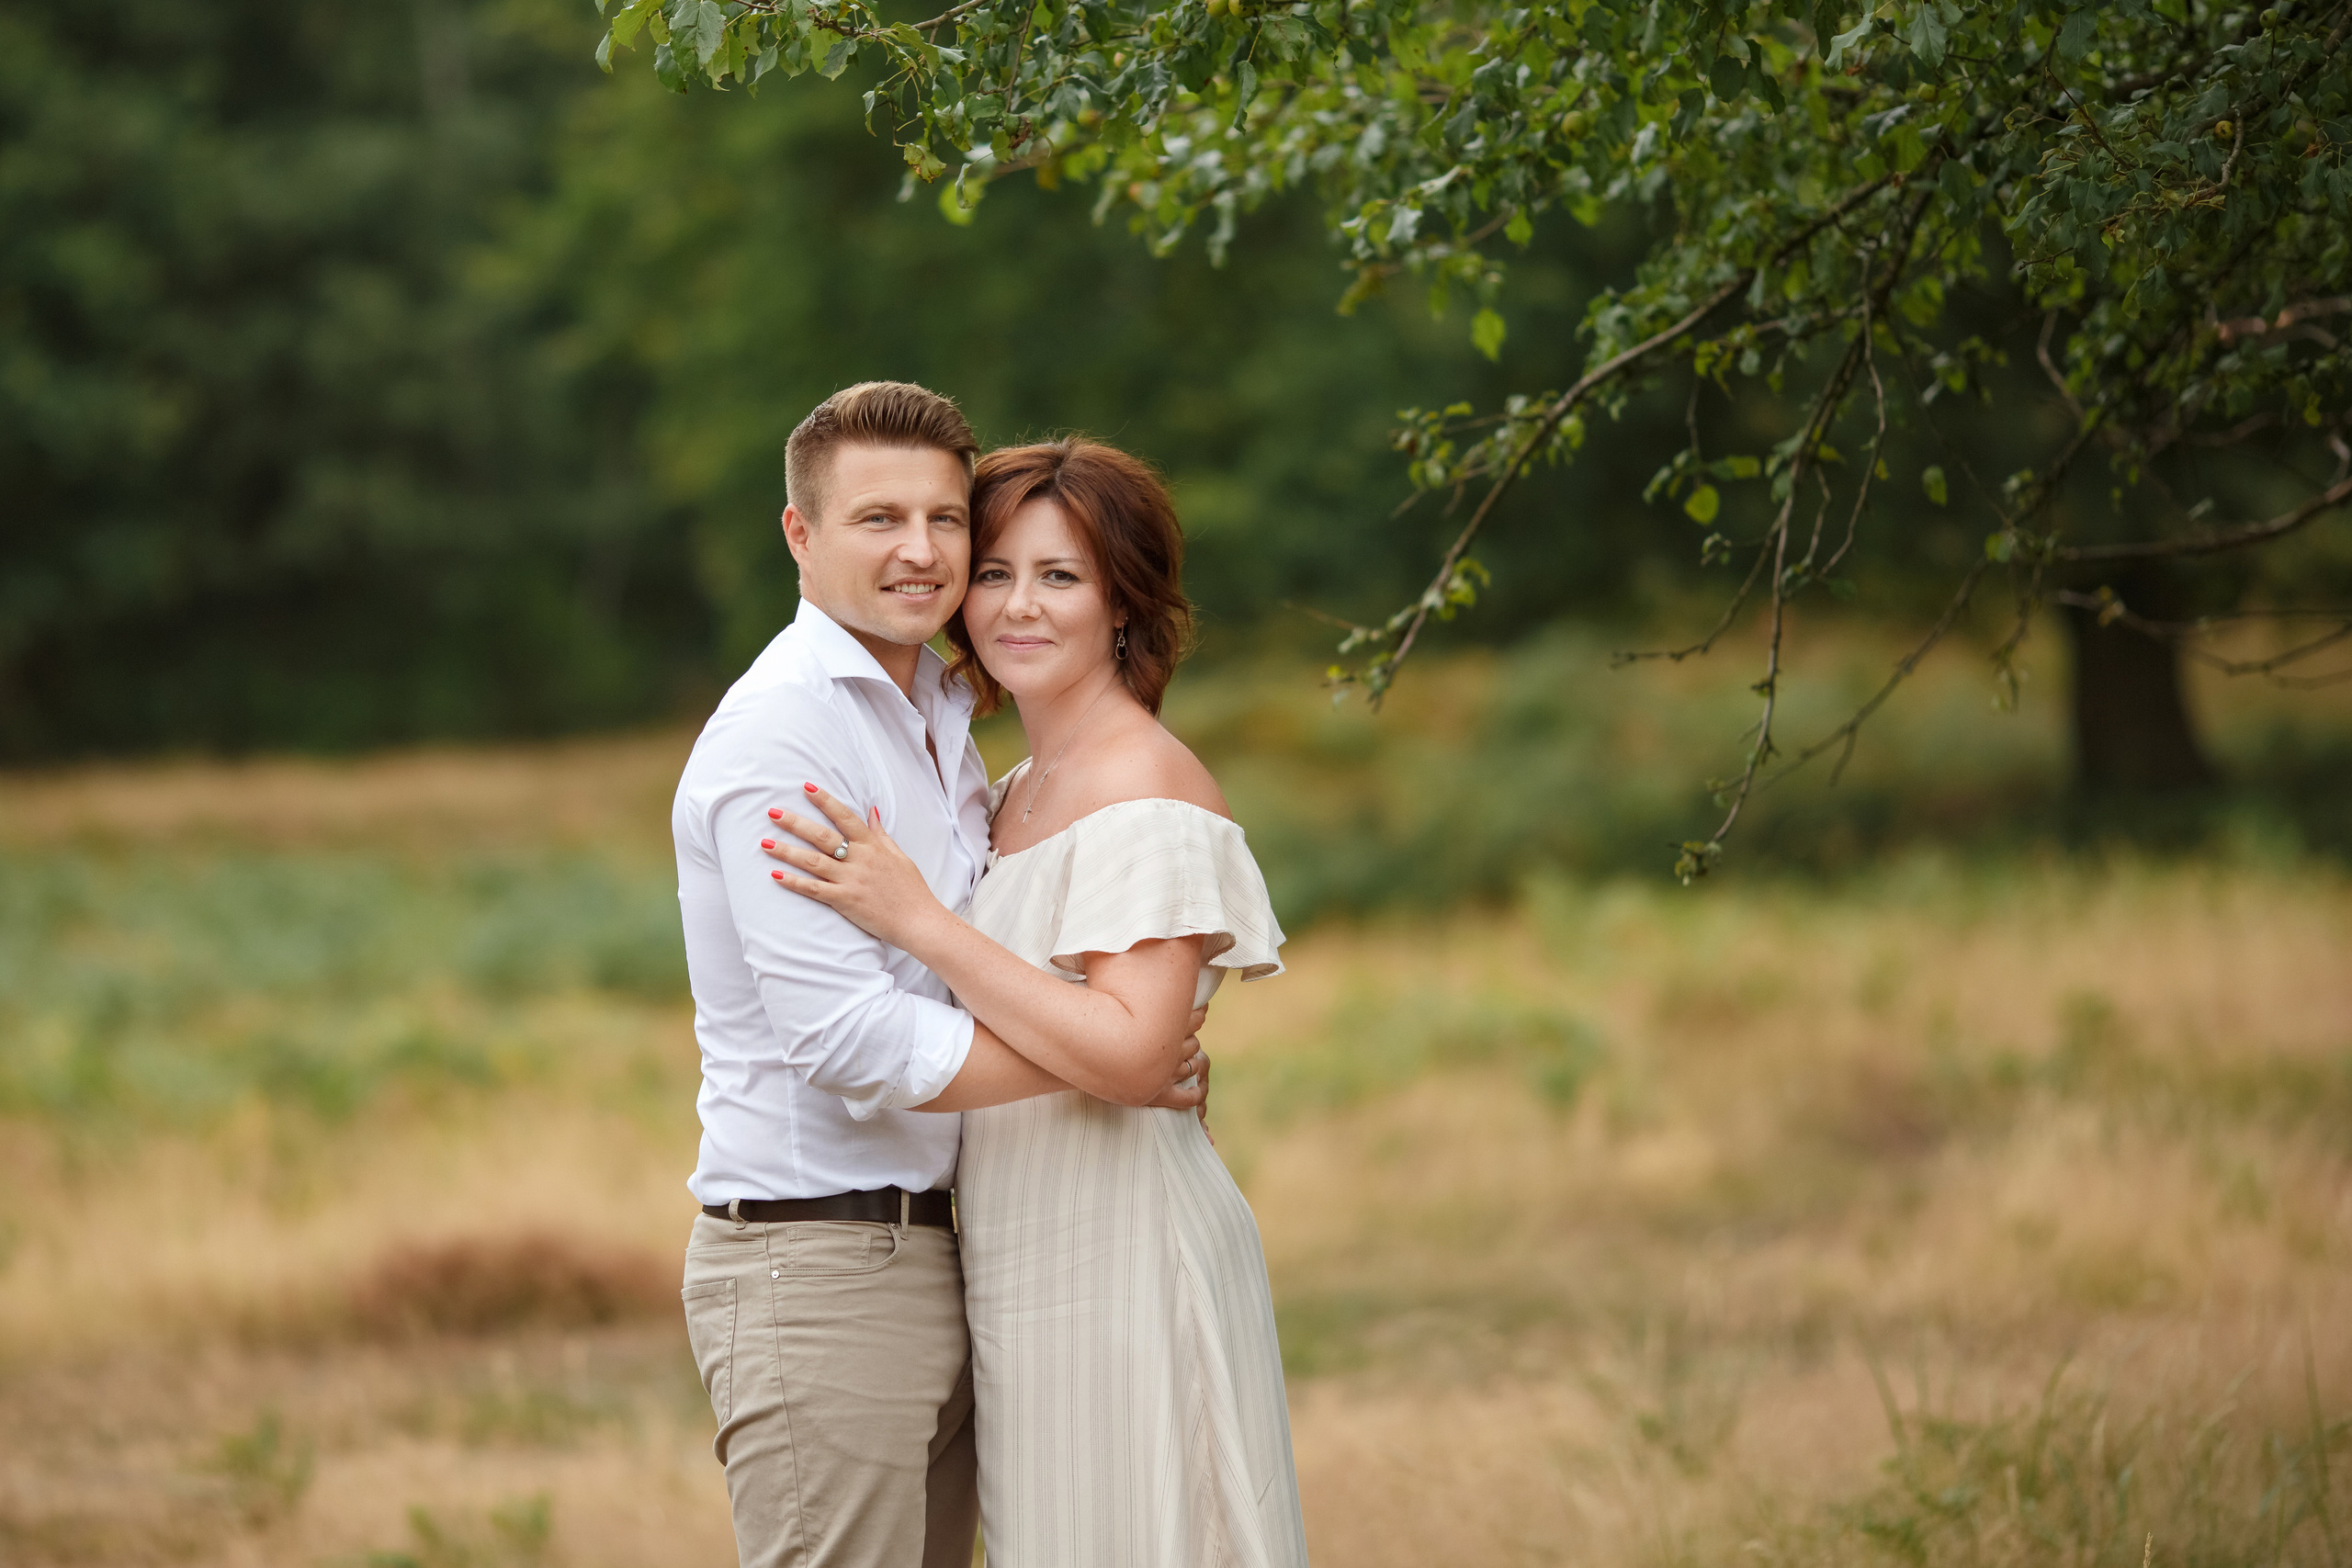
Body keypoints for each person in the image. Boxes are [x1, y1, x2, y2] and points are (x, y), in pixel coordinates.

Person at [670, 385, 1210, 1568]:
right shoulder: (783, 735)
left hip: (948, 1251)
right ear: (800, 536)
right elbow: (846, 1042)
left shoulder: (939, 717)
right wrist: (1110, 1051)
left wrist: (1105, 1036)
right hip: (817, 1265)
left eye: (943, 519)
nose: (920, 551)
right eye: (877, 520)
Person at [763, 435, 1310, 1568]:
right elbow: (1091, 1039)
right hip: (1018, 1253)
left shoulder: (1145, 786)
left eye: (1060, 577)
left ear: (1124, 603)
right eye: (998, 572)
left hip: (1124, 1242)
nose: (1017, 606)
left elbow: (1129, 1054)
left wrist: (920, 919)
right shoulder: (1000, 796)